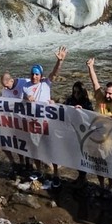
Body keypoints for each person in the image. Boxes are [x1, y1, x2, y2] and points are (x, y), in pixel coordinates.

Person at [23, 46, 67, 183]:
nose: (34, 76)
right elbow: (21, 103)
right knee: (35, 147)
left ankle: (56, 174)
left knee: (51, 147)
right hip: (34, 122)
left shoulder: (45, 83)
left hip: (47, 121)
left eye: (37, 74)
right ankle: (39, 170)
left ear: (41, 76)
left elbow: (54, 73)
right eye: (32, 74)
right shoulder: (26, 86)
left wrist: (59, 61)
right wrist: (26, 98)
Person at [84, 57, 112, 193]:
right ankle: (101, 185)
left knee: (109, 165)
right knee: (97, 164)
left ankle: (110, 185)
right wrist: (90, 67)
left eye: (110, 93)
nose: (107, 95)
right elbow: (94, 82)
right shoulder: (100, 97)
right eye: (107, 92)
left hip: (109, 141)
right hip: (95, 137)